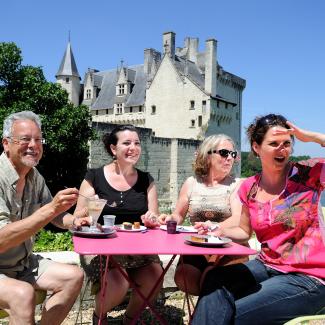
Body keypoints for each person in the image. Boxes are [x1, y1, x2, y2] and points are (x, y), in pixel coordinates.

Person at [192, 114, 325, 325]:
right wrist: (219, 231)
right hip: (267, 266)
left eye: (287, 144)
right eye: (273, 144)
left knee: (232, 315)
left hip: (308, 276)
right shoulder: (250, 187)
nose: (282, 149)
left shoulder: (309, 174)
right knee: (215, 279)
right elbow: (245, 232)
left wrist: (312, 137)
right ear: (256, 147)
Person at [0, 111, 87, 325]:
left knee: (74, 276)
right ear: (6, 143)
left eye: (38, 140)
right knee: (23, 294)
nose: (33, 145)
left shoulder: (33, 176)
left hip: (23, 263)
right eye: (25, 139)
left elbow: (55, 214)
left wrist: (73, 222)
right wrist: (52, 208)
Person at [75, 124, 163, 324]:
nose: (133, 147)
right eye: (127, 143)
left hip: (138, 247)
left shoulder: (146, 180)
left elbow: (155, 218)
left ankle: (129, 319)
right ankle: (99, 317)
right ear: (113, 149)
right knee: (118, 282)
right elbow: (77, 217)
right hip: (102, 248)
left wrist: (151, 220)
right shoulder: (94, 177)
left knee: (155, 275)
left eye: (137, 143)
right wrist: (90, 209)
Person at [159, 134, 247, 295]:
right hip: (198, 246)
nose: (229, 158)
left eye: (232, 154)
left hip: (229, 246)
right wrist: (168, 219)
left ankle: (210, 312)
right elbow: (178, 215)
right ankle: (214, 307)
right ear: (207, 154)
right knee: (184, 276)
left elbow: (237, 218)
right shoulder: (191, 183)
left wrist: (214, 226)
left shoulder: (237, 184)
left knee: (213, 278)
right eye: (224, 153)